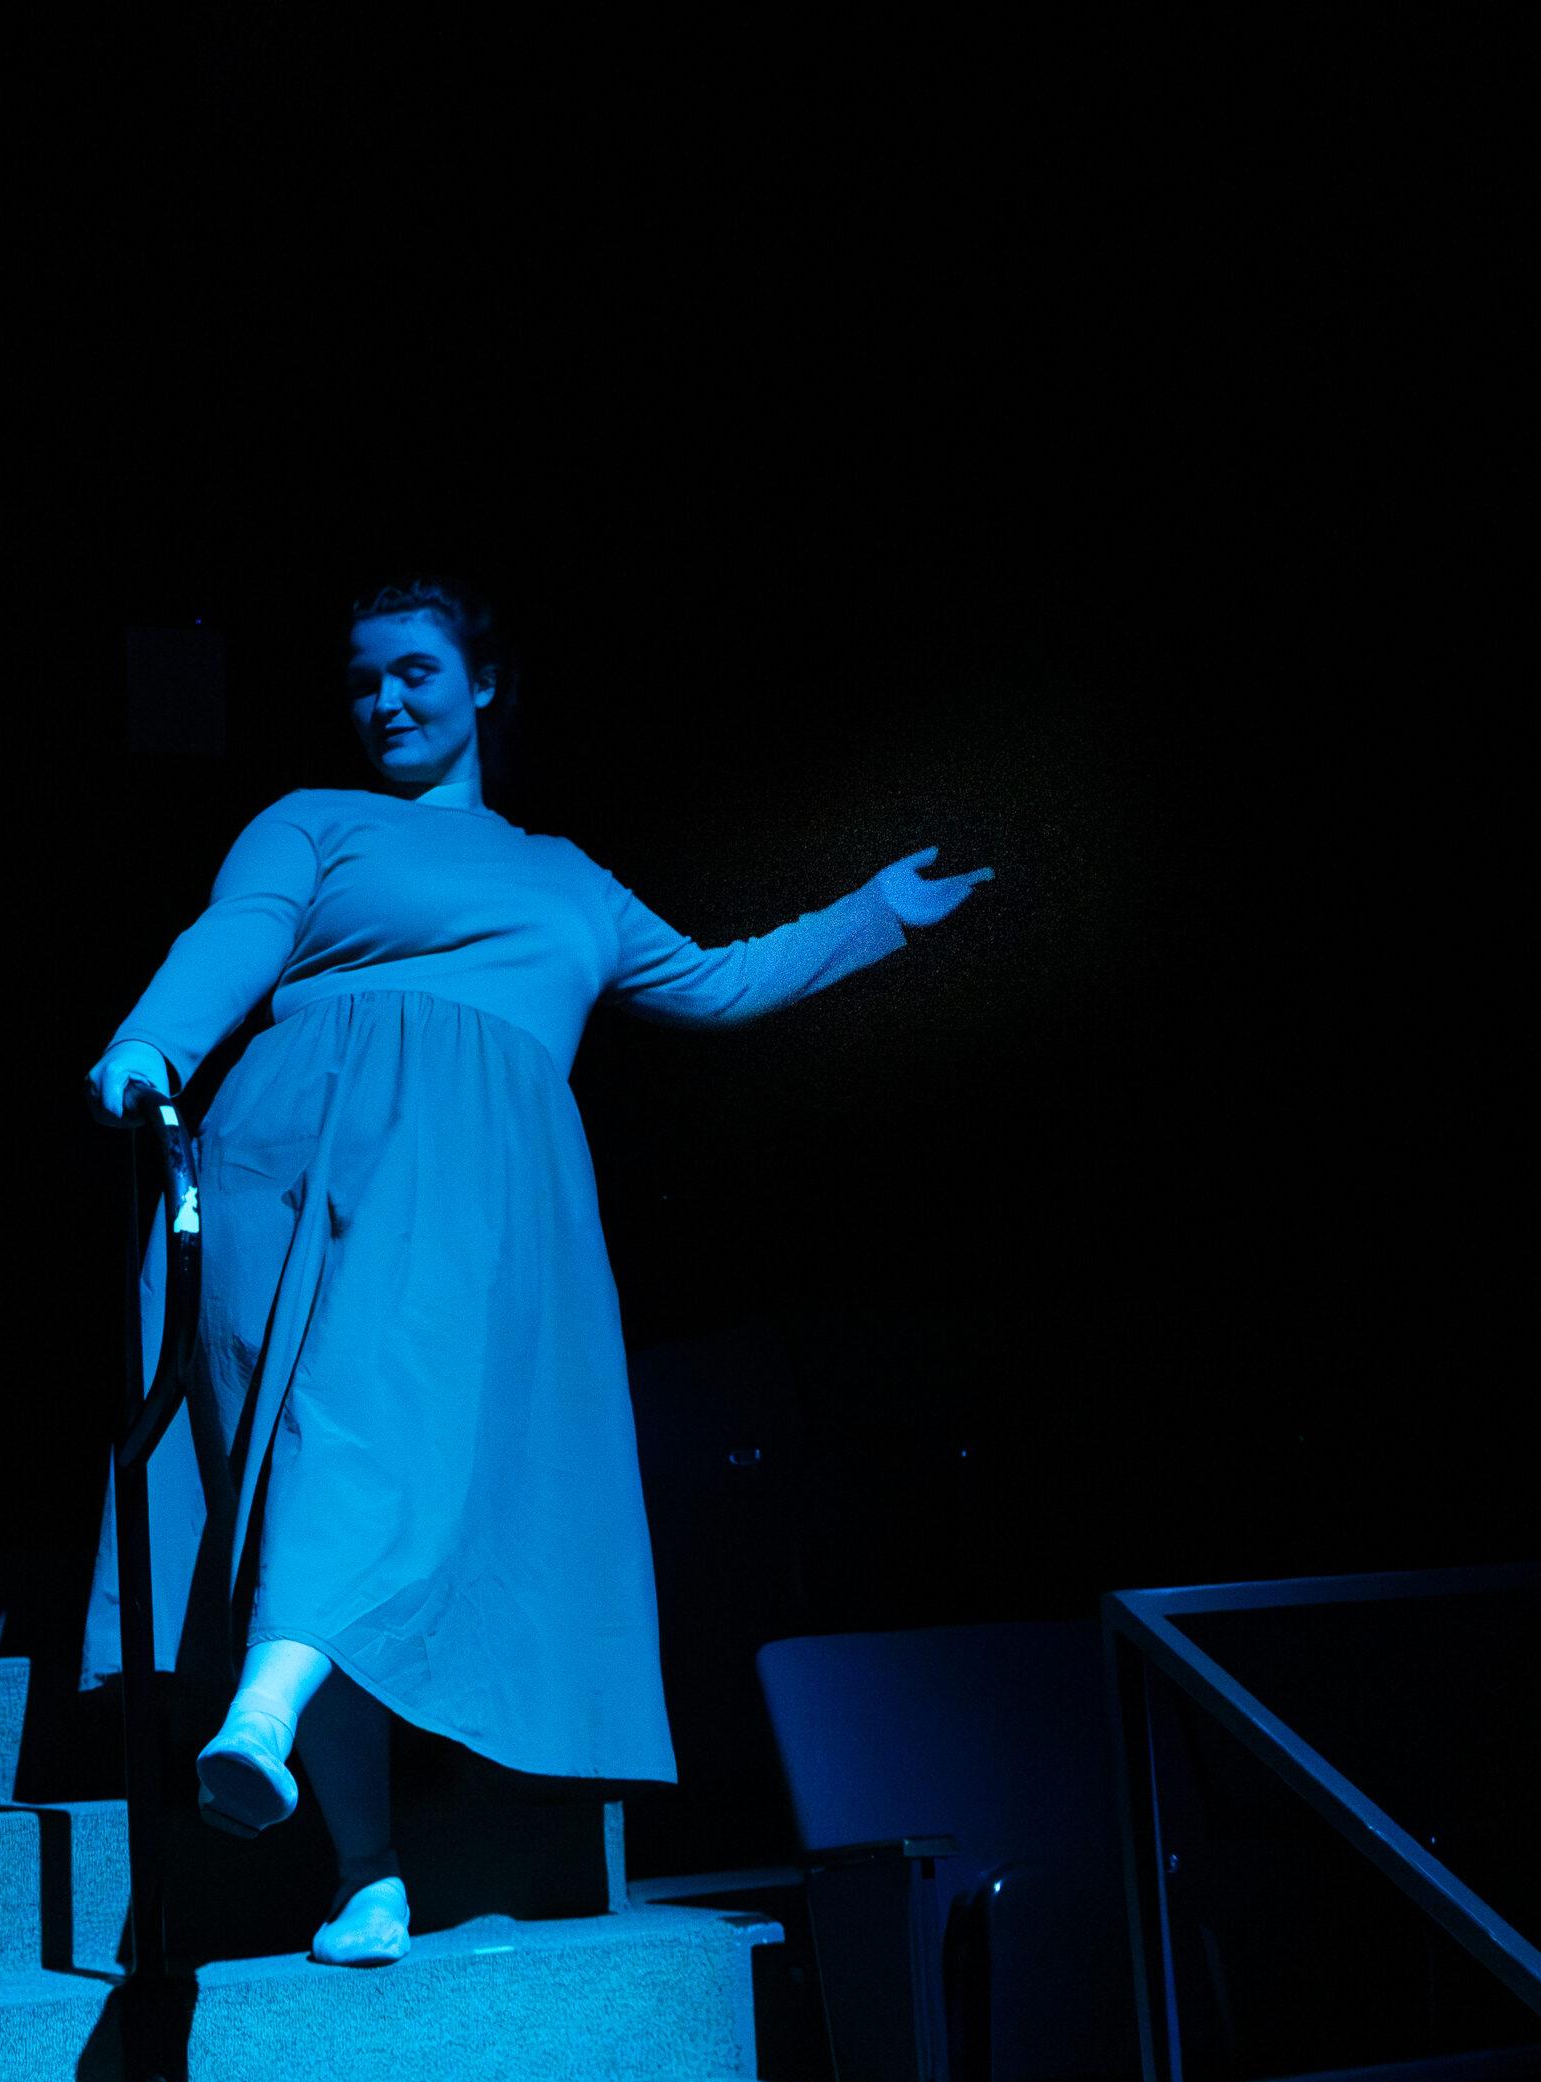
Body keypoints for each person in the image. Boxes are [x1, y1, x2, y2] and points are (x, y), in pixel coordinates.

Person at [83, 571, 993, 1967]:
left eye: (415, 671)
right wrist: (156, 1039)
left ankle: (265, 1713)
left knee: (366, 1434)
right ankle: (363, 1867)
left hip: (477, 1185)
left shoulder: (569, 877)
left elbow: (718, 984)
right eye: (364, 680)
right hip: (299, 1152)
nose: (387, 700)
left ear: (483, 682)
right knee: (314, 1467)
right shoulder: (315, 821)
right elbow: (240, 932)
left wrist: (874, 915)